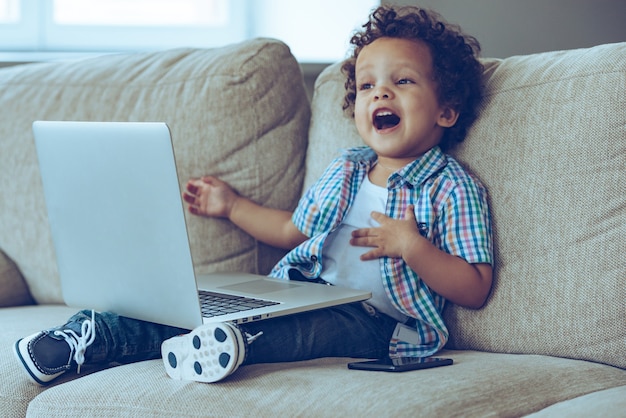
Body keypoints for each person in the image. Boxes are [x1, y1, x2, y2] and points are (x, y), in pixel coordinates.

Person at [14, 5, 493, 385]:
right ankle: (83, 338)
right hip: (309, 293)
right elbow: (292, 231)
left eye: (402, 81)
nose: (380, 94)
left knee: (301, 333)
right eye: (368, 85)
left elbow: (475, 287)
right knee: (195, 303)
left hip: (375, 324)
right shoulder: (348, 168)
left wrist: (413, 246)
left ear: (446, 110)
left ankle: (226, 345)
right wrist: (230, 206)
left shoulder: (452, 186)